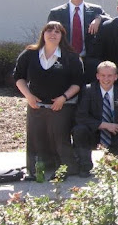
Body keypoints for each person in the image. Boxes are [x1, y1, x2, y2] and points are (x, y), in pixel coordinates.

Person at [14, 21, 83, 179]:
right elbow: (18, 77)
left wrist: (63, 98)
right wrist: (29, 96)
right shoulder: (29, 54)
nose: (53, 34)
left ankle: (65, 168)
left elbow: (77, 83)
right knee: (36, 137)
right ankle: (37, 168)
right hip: (36, 105)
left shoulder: (71, 57)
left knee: (59, 137)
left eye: (57, 32)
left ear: (62, 36)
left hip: (62, 105)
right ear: (43, 34)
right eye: (49, 31)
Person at [72, 61, 118, 177]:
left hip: (115, 133)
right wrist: (104, 125)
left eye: (110, 75)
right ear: (97, 76)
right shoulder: (88, 91)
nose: (106, 78)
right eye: (103, 75)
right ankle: (85, 166)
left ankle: (114, 160)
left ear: (116, 77)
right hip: (94, 132)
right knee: (79, 130)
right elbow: (80, 117)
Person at [47, 0, 109, 82]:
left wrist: (99, 18)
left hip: (89, 58)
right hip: (65, 58)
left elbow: (110, 21)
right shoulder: (56, 13)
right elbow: (49, 37)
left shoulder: (96, 10)